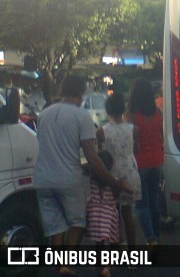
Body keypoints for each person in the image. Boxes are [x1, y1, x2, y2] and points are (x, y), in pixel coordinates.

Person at [33, 75, 131, 277]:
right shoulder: (81, 116)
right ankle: (66, 264)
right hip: (68, 178)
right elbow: (92, 156)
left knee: (55, 226)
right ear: (81, 93)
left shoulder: (44, 114)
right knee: (77, 222)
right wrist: (112, 182)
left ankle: (60, 267)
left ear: (62, 91)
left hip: (42, 178)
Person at [96, 93, 142, 248]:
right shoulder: (134, 129)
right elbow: (136, 149)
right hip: (130, 172)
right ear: (123, 109)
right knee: (128, 213)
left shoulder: (102, 132)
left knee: (113, 214)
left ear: (108, 110)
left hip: (111, 175)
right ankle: (132, 250)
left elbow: (101, 155)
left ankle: (117, 247)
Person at [127, 77, 164, 246]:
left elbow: (129, 141)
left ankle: (151, 239)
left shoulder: (132, 115)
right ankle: (157, 235)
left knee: (142, 205)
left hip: (140, 161)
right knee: (154, 201)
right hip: (158, 160)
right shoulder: (159, 113)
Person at [85, 150, 120, 277]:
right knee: (114, 242)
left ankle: (99, 265)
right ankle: (107, 267)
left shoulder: (92, 180)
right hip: (109, 214)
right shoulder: (113, 182)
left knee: (99, 243)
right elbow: (116, 196)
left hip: (94, 213)